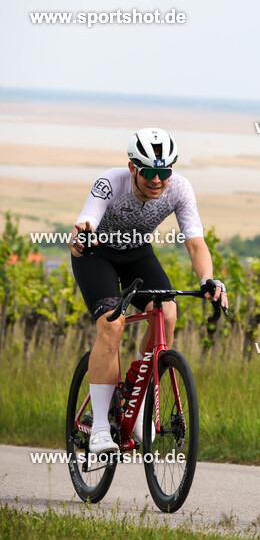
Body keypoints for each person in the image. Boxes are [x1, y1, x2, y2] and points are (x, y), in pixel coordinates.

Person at [68, 127, 228, 453]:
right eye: (150, 173)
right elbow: (87, 219)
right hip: (97, 253)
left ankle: (136, 399)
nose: (157, 180)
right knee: (112, 324)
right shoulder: (111, 182)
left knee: (167, 313)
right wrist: (83, 236)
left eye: (164, 172)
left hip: (137, 253)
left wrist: (208, 280)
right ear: (132, 168)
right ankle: (99, 427)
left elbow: (196, 243)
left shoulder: (180, 189)